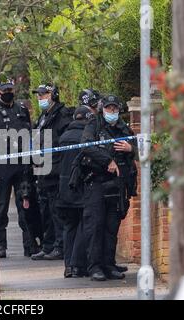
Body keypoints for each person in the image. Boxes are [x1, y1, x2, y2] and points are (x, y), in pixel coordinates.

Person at [80, 94, 138, 280]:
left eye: (114, 109)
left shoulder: (123, 128)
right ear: (102, 109)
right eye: (108, 109)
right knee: (95, 225)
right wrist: (108, 161)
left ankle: (109, 264)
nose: (111, 112)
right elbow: (86, 145)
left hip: (117, 185)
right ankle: (95, 266)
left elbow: (139, 148)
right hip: (97, 181)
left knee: (112, 226)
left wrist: (131, 149)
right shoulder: (94, 124)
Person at [0, 81, 33, 258]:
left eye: (10, 89)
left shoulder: (22, 109)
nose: (8, 92)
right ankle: (0, 245)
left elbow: (29, 134)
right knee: (0, 207)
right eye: (4, 90)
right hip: (2, 165)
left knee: (26, 206)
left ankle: (29, 244)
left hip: (21, 164)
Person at [30, 84, 73, 261]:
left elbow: (63, 143)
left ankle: (60, 247)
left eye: (44, 95)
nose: (40, 98)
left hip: (55, 170)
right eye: (39, 96)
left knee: (57, 211)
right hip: (43, 169)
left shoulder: (62, 116)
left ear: (53, 95)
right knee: (45, 211)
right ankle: (48, 246)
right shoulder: (43, 116)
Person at [56, 106, 93, 278]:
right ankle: (78, 265)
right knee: (82, 226)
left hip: (64, 189)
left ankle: (68, 266)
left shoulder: (63, 136)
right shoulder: (85, 138)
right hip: (80, 186)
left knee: (69, 227)